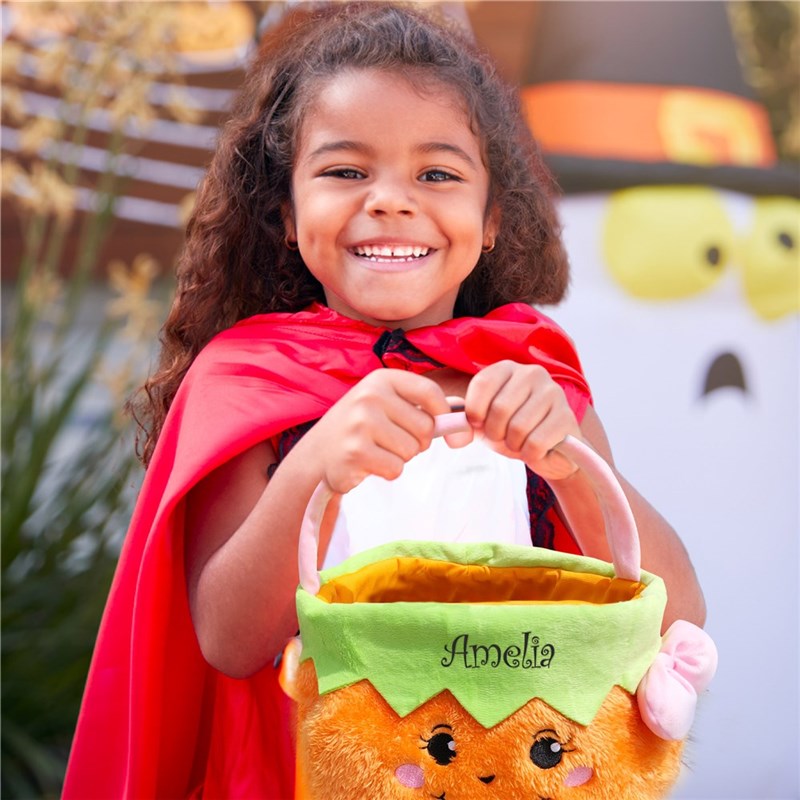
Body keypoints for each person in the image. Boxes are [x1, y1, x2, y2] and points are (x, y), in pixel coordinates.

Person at [64, 4, 706, 798]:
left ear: (492, 216)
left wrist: (563, 458)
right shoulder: (248, 380)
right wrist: (317, 470)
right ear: (289, 213)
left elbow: (679, 613)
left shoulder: (530, 375)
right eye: (345, 171)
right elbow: (228, 640)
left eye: (437, 173)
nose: (391, 201)